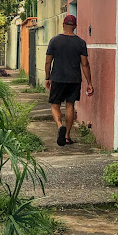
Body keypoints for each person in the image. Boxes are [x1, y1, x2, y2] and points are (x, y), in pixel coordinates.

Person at [45, 14, 94, 146]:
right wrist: (89, 83)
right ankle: (67, 136)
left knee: (55, 105)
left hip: (58, 78)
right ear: (75, 27)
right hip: (74, 79)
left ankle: (60, 125)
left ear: (63, 25)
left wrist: (47, 77)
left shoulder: (54, 41)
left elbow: (48, 61)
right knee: (70, 105)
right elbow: (85, 64)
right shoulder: (80, 42)